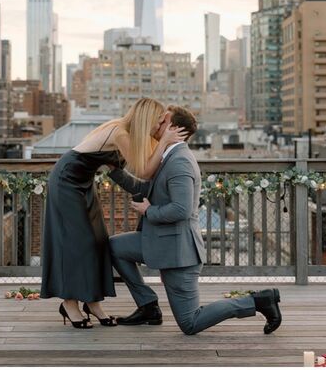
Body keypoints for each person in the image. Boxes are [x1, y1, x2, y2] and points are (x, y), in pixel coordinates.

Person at [108, 105, 282, 335]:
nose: (156, 124)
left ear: (175, 129)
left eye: (162, 121)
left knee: (190, 323)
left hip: (178, 252)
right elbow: (145, 187)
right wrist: (114, 170)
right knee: (114, 246)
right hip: (159, 240)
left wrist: (149, 211)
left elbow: (181, 209)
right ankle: (148, 305)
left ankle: (259, 301)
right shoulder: (165, 156)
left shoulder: (179, 161)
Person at [40, 98, 187, 329]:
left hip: (84, 183)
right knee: (78, 242)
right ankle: (69, 303)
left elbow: (145, 171)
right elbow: (145, 171)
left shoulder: (130, 136)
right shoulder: (120, 133)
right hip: (66, 182)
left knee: (97, 240)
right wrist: (165, 142)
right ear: (145, 118)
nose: (160, 126)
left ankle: (92, 303)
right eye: (158, 120)